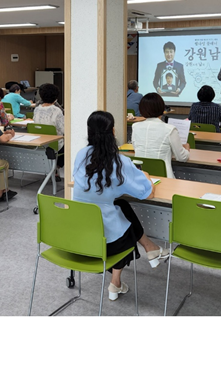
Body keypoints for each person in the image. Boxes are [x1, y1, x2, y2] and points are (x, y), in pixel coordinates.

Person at [72, 111, 170, 301]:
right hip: (107, 240)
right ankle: (123, 274)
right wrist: (146, 176)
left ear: (89, 132)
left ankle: (147, 252)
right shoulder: (119, 162)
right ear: (113, 131)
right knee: (126, 227)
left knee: (122, 205)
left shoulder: (81, 154)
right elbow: (147, 193)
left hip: (78, 232)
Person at [131, 92, 190, 178]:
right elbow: (182, 157)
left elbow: (137, 148)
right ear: (162, 108)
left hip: (140, 176)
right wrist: (187, 149)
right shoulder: (170, 129)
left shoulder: (135, 126)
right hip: (164, 177)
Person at [32, 82, 65, 181]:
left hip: (40, 143)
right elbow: (64, 129)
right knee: (69, 145)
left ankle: (53, 169)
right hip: (55, 145)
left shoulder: (37, 109)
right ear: (56, 97)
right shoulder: (57, 110)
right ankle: (55, 168)